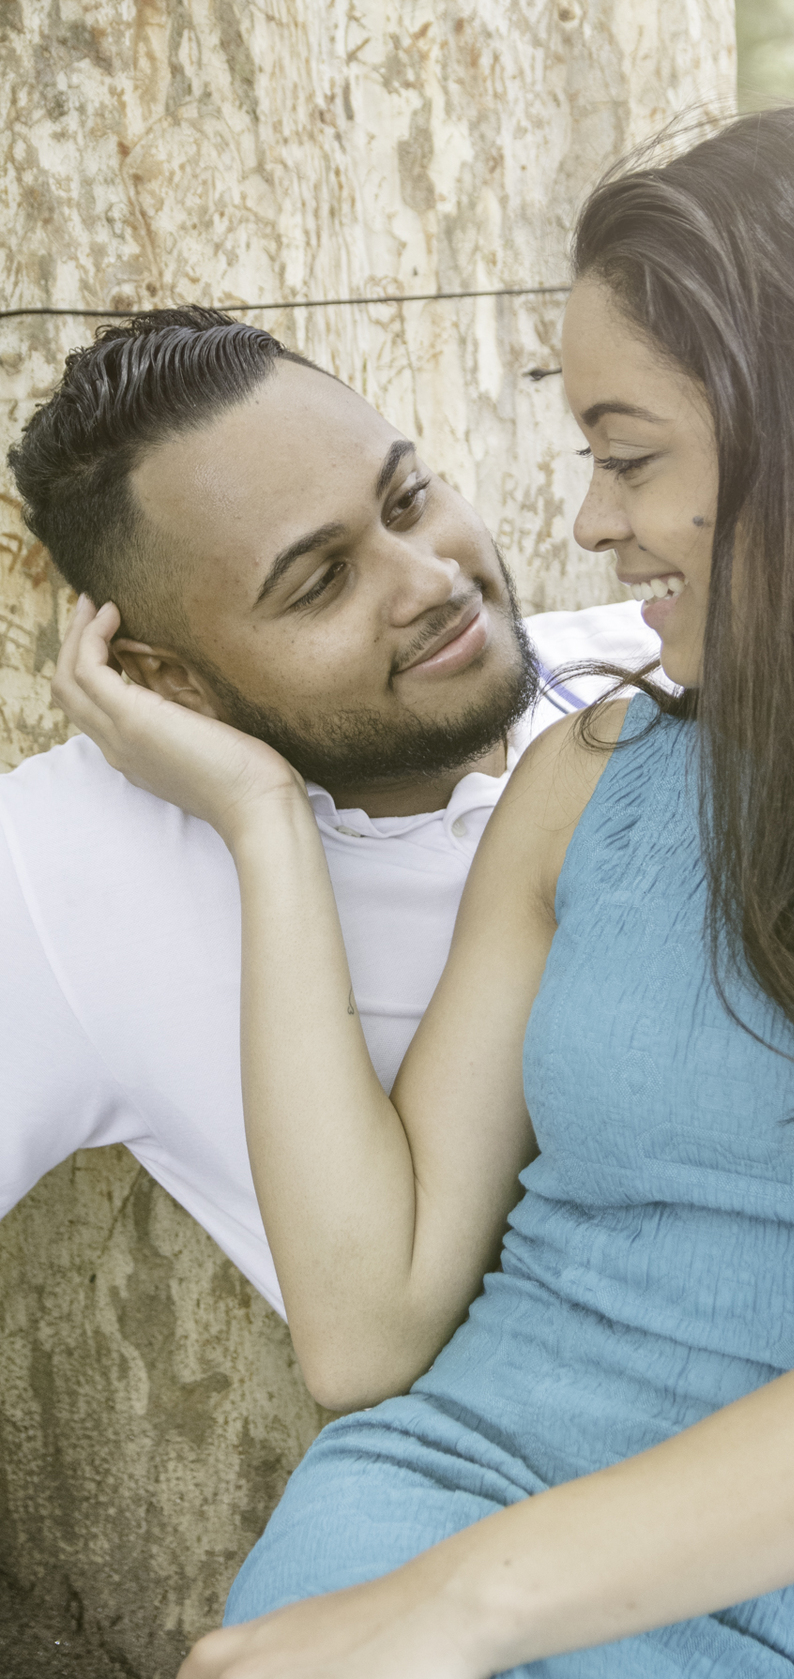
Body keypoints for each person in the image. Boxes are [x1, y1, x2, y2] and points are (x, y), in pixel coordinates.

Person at [54, 107, 794, 1679]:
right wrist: (260, 817)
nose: (590, 523)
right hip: (425, 1521)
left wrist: (459, 1615)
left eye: (631, 457)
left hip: (792, 1622)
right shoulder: (587, 779)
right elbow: (369, 1324)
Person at [1, 308, 656, 1316]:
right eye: (319, 584)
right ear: (166, 682)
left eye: (407, 500)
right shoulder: (70, 863)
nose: (432, 582)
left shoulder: (668, 667)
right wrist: (262, 816)